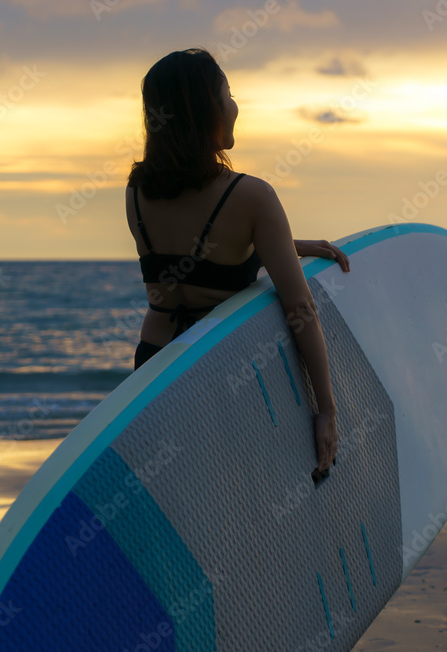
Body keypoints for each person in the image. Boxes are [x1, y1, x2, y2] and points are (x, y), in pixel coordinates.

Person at [125, 48, 348, 475]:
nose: (235, 105)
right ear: (204, 108)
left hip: (153, 362)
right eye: (227, 94)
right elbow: (300, 309)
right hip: (220, 366)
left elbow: (192, 257)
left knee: (178, 487)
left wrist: (285, 243)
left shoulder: (136, 191)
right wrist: (327, 410)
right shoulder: (252, 196)